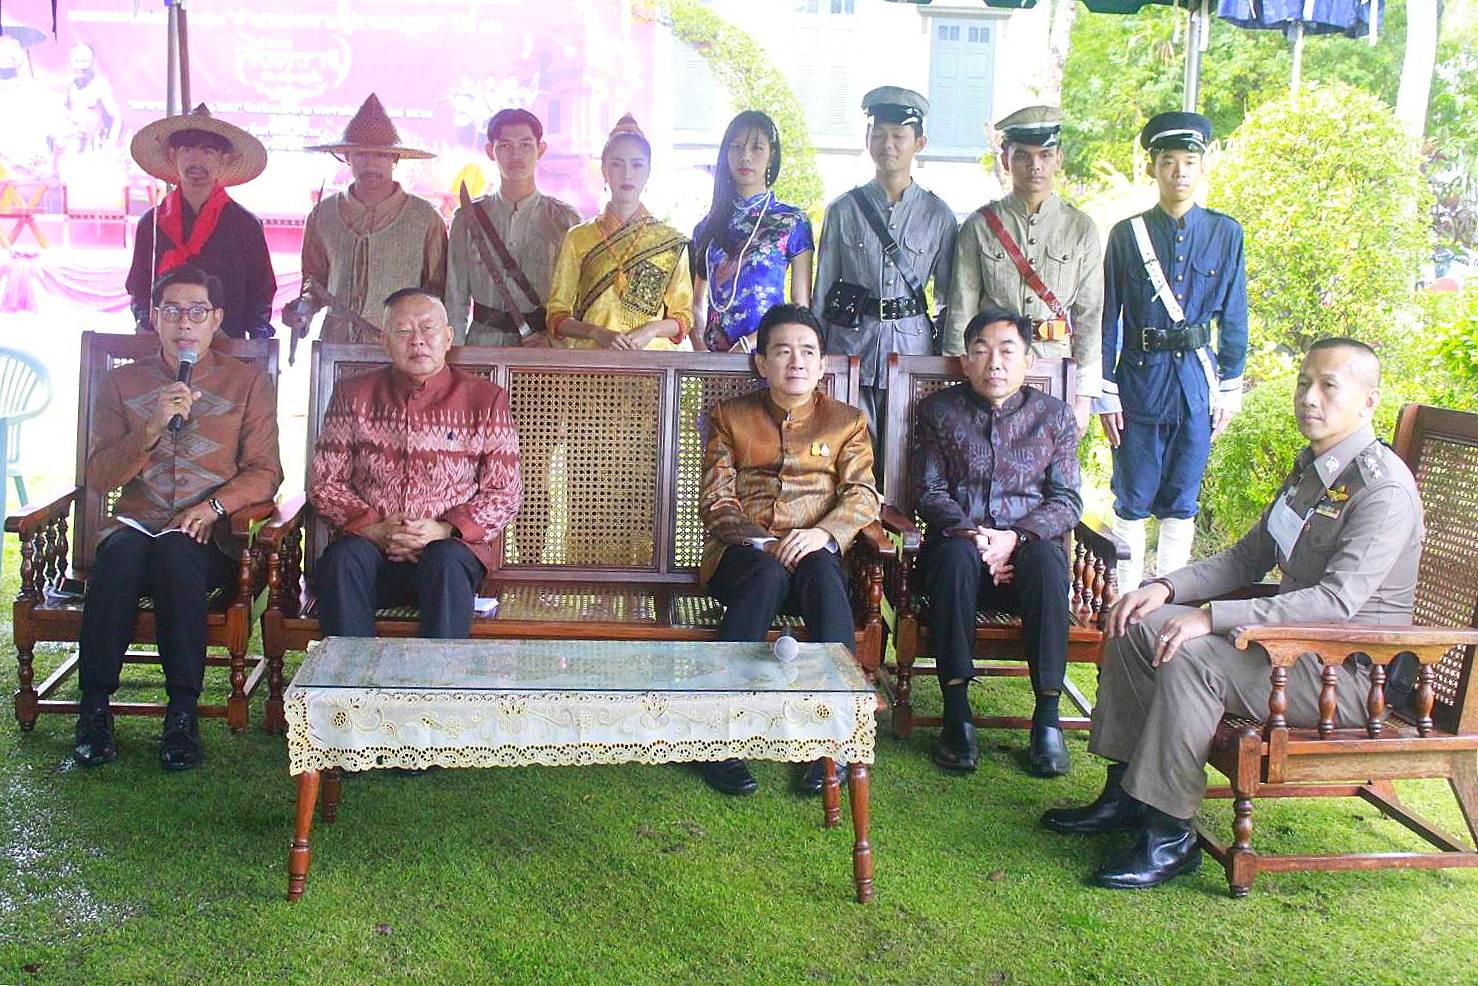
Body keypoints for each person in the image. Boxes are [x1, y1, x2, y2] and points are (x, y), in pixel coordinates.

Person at [1044, 339, 1422, 889]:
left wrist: (1210, 617)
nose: (1308, 398)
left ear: (1369, 401)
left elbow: (1335, 603)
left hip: (1351, 674)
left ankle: (1170, 832)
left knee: (1195, 658)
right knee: (1138, 622)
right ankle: (1127, 793)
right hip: (1292, 650)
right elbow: (1249, 556)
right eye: (1303, 382)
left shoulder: (1380, 490)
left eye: (1328, 386)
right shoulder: (1316, 470)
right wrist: (1166, 587)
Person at [71, 266, 284, 771]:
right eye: (171, 311)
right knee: (118, 557)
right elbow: (100, 474)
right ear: (155, 320)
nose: (183, 323)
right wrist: (149, 428)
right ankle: (95, 709)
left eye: (196, 312)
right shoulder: (124, 383)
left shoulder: (248, 383)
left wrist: (213, 507)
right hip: (138, 523)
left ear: (216, 320)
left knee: (176, 553)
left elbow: (265, 472)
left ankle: (181, 714)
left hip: (206, 537)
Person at [697, 304, 880, 796]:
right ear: (762, 363)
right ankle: (720, 737)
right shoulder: (730, 417)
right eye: (782, 351)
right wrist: (764, 543)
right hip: (743, 559)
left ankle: (831, 738)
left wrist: (822, 534)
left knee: (821, 572)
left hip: (814, 557)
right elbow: (715, 501)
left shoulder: (848, 422)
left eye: (807, 352)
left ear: (823, 363)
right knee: (766, 574)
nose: (795, 362)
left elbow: (862, 495)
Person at [913, 308, 1082, 778]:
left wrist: (1015, 537)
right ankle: (957, 712)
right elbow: (929, 492)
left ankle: (1047, 718)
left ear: (1028, 361)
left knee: (1049, 562)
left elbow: (1067, 500)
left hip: (1025, 558)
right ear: (965, 362)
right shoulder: (939, 413)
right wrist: (977, 536)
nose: (994, 363)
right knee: (952, 556)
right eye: (981, 351)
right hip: (960, 555)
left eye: (1007, 351)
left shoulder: (1054, 417)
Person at [309, 289, 522, 639]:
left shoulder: (484, 399)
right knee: (342, 561)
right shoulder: (353, 395)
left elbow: (503, 492)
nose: (418, 341)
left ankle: (436, 689)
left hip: (447, 555)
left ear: (449, 337)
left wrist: (444, 530)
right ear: (385, 341)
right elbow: (325, 483)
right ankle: (350, 689)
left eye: (428, 329)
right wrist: (376, 529)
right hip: (372, 552)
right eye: (404, 331)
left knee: (447, 561)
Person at [1095, 111, 1248, 591]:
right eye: (1168, 161)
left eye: (1188, 161)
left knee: (1183, 500)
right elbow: (1107, 315)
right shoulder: (1127, 235)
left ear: (1202, 168)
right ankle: (1122, 603)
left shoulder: (1226, 234)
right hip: (1139, 382)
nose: (1179, 172)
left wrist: (1229, 387)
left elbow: (1235, 314)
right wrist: (1106, 391)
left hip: (1196, 387)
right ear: (1152, 169)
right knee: (1133, 498)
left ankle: (1169, 599)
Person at [812, 86, 956, 469]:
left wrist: (942, 362)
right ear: (867, 139)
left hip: (911, 354)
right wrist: (819, 355)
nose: (887, 144)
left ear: (919, 143)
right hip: (850, 349)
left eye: (898, 136)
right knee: (848, 455)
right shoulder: (843, 209)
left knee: (905, 459)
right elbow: (823, 290)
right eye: (878, 134)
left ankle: (900, 529)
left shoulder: (939, 216)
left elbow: (948, 298)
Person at [947, 106, 1102, 437]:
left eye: (1045, 155)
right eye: (1023, 156)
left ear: (1059, 158)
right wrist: (955, 381)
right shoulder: (979, 227)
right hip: (992, 370)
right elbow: (961, 308)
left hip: (1055, 366)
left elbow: (1090, 315)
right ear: (1006, 159)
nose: (1036, 166)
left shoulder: (1080, 229)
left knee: (1050, 474)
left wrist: (1084, 395)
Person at [286, 94, 448, 344]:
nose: (370, 164)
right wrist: (303, 309)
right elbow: (314, 282)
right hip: (335, 344)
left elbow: (438, 293)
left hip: (400, 347)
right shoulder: (322, 215)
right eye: (361, 154)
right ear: (347, 157)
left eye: (381, 155)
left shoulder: (425, 218)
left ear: (395, 159)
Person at [126, 104, 276, 339]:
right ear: (173, 155)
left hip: (227, 347)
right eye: (187, 150)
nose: (196, 160)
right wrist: (146, 321)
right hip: (165, 344)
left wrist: (255, 343)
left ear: (224, 159)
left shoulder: (245, 225)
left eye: (208, 151)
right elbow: (139, 286)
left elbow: (261, 292)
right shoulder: (152, 223)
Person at [545, 114, 694, 350]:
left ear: (648, 171)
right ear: (604, 170)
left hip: (652, 369)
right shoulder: (578, 238)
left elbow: (683, 317)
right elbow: (557, 316)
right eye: (616, 164)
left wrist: (651, 329)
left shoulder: (669, 242)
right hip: (591, 369)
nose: (627, 174)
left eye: (636, 164)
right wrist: (596, 333)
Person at [445, 107, 581, 346]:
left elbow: (577, 300)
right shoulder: (467, 218)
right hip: (482, 347)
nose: (515, 155)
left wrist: (554, 344)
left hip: (542, 353)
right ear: (490, 151)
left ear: (541, 150)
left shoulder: (566, 221)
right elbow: (455, 300)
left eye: (526, 145)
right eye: (505, 145)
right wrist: (454, 361)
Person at [690, 111, 814, 353]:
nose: (745, 157)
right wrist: (701, 352)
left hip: (767, 356)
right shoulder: (706, 227)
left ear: (771, 156)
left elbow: (800, 308)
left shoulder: (791, 221)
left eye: (756, 148)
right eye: (736, 147)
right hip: (714, 364)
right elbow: (695, 302)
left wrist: (748, 344)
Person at [62, 42, 119, 152]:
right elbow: (64, 112)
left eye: (84, 61)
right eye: (76, 61)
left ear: (92, 61)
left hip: (93, 146)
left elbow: (116, 117)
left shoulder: (100, 85)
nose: (80, 66)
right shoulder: (69, 84)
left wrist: (110, 144)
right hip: (72, 143)